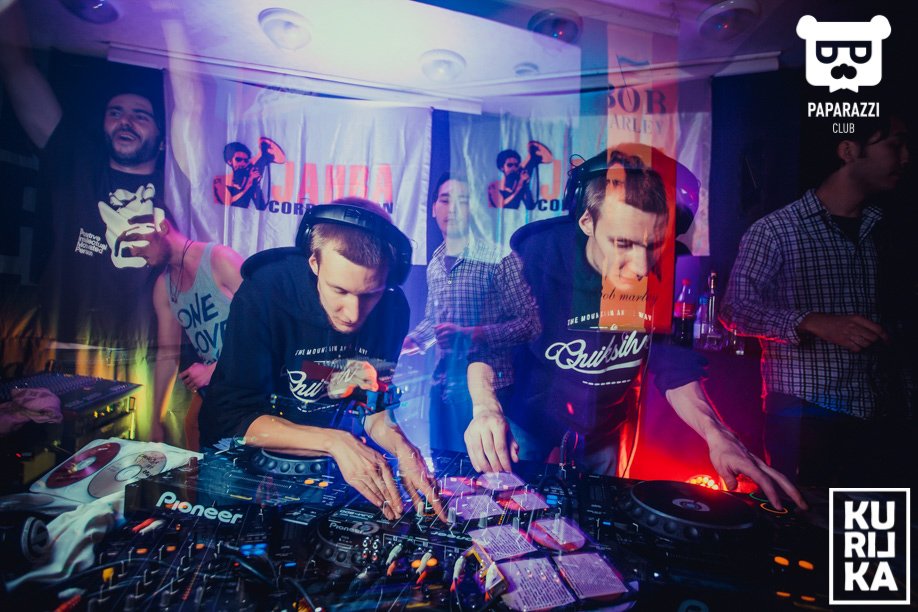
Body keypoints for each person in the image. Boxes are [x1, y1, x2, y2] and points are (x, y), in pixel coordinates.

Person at [464, 147, 806, 511]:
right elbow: (489, 346)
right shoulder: (533, 259)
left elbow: (674, 367)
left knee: (600, 515)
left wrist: (717, 433)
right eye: (623, 243)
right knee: (513, 513)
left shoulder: (667, 268)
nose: (642, 266)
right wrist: (485, 408)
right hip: (530, 417)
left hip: (606, 424)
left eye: (655, 243)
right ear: (587, 222)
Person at [200, 199, 443, 520]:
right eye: (339, 290)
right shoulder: (266, 291)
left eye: (370, 294)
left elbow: (372, 406)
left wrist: (403, 449)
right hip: (238, 464)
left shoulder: (392, 308)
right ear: (314, 262)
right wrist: (335, 441)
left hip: (321, 465)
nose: (353, 313)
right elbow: (230, 418)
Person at [1, 0, 170, 437]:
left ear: (161, 136)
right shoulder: (76, 167)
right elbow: (19, 71)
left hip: (144, 357)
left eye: (140, 115)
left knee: (132, 461)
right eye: (115, 113)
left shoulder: (178, 186)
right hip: (66, 348)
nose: (125, 122)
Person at [720, 111, 910, 486]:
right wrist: (812, 322)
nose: (906, 158)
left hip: (879, 414)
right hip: (805, 415)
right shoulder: (776, 230)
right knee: (807, 518)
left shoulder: (884, 228)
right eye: (895, 145)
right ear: (848, 150)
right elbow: (734, 310)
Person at [402, 173, 540, 452]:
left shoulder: (499, 258)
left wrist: (472, 334)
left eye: (462, 201)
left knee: (490, 470)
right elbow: (434, 320)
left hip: (493, 390)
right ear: (433, 208)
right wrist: (412, 341)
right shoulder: (435, 262)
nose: (452, 209)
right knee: (442, 466)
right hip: (442, 386)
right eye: (445, 200)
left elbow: (531, 324)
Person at [133, 217, 243, 449]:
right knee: (193, 429)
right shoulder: (164, 287)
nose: (134, 251)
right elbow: (167, 355)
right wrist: (155, 419)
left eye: (138, 241)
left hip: (248, 380)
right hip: (216, 386)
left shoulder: (219, 259)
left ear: (163, 227)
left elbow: (266, 324)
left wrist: (215, 369)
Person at [212, 141, 265, 208]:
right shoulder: (219, 180)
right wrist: (249, 182)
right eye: (238, 159)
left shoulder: (248, 181)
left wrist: (256, 184)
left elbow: (261, 207)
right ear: (230, 161)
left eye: (245, 161)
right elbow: (227, 202)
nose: (242, 163)